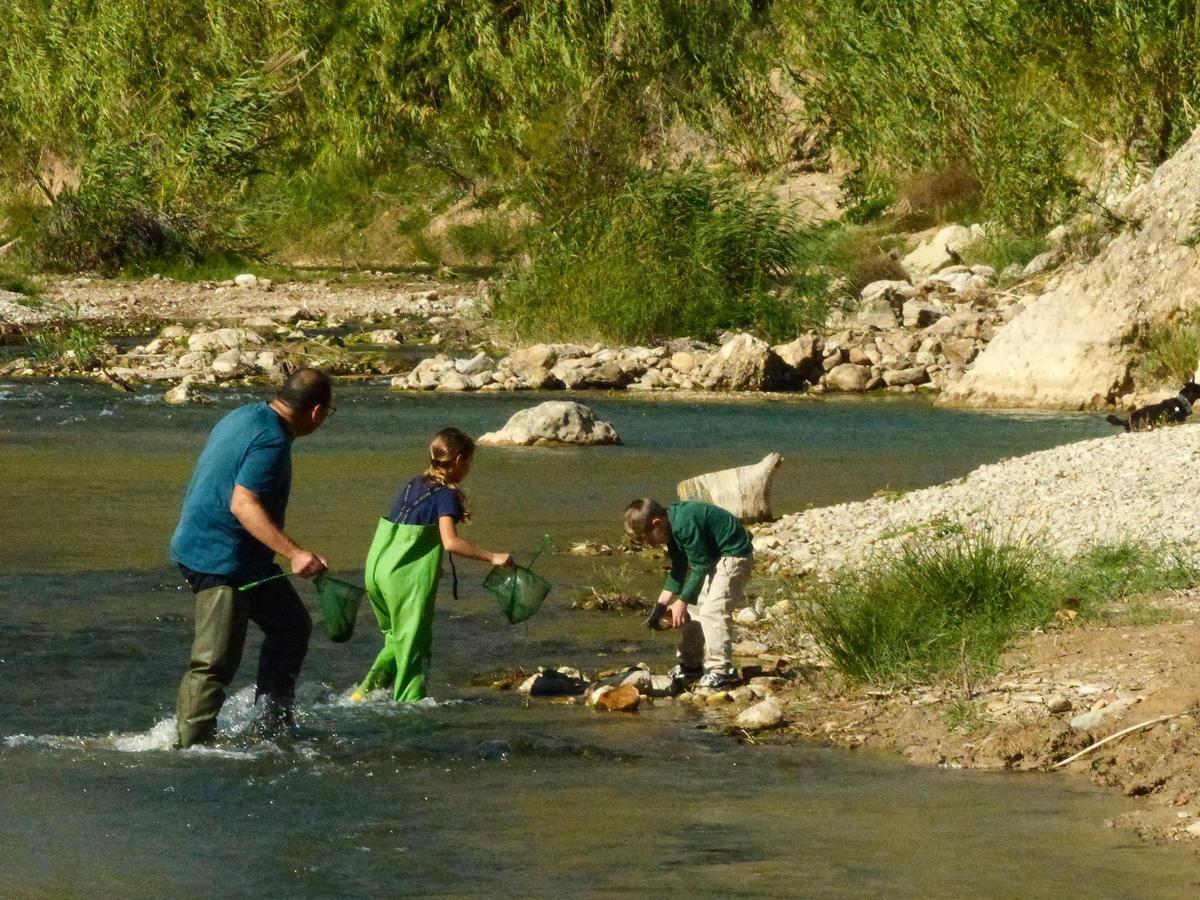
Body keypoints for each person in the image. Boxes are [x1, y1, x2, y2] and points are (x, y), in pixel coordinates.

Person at [169, 368, 334, 747]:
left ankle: (271, 726)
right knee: (214, 661)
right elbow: (243, 504)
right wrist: (295, 553)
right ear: (316, 411)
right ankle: (189, 750)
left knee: (291, 625)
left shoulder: (244, 414)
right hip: (218, 557)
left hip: (242, 557)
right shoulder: (272, 442)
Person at [354, 427, 512, 703]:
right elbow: (450, 542)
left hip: (376, 569)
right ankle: (412, 709)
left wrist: (432, 564)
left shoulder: (414, 484)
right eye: (469, 462)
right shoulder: (446, 495)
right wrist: (493, 557)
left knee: (397, 640)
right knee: (415, 646)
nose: (469, 469)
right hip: (403, 578)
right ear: (459, 460)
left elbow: (411, 528)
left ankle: (362, 696)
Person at [623, 497, 754, 691]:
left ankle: (721, 671)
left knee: (712, 612)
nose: (650, 545)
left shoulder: (685, 524)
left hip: (734, 556)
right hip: (713, 558)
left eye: (648, 539)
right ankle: (691, 666)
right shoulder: (670, 527)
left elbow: (700, 566)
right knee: (693, 611)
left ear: (656, 523)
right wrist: (660, 606)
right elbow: (679, 567)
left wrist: (682, 601)